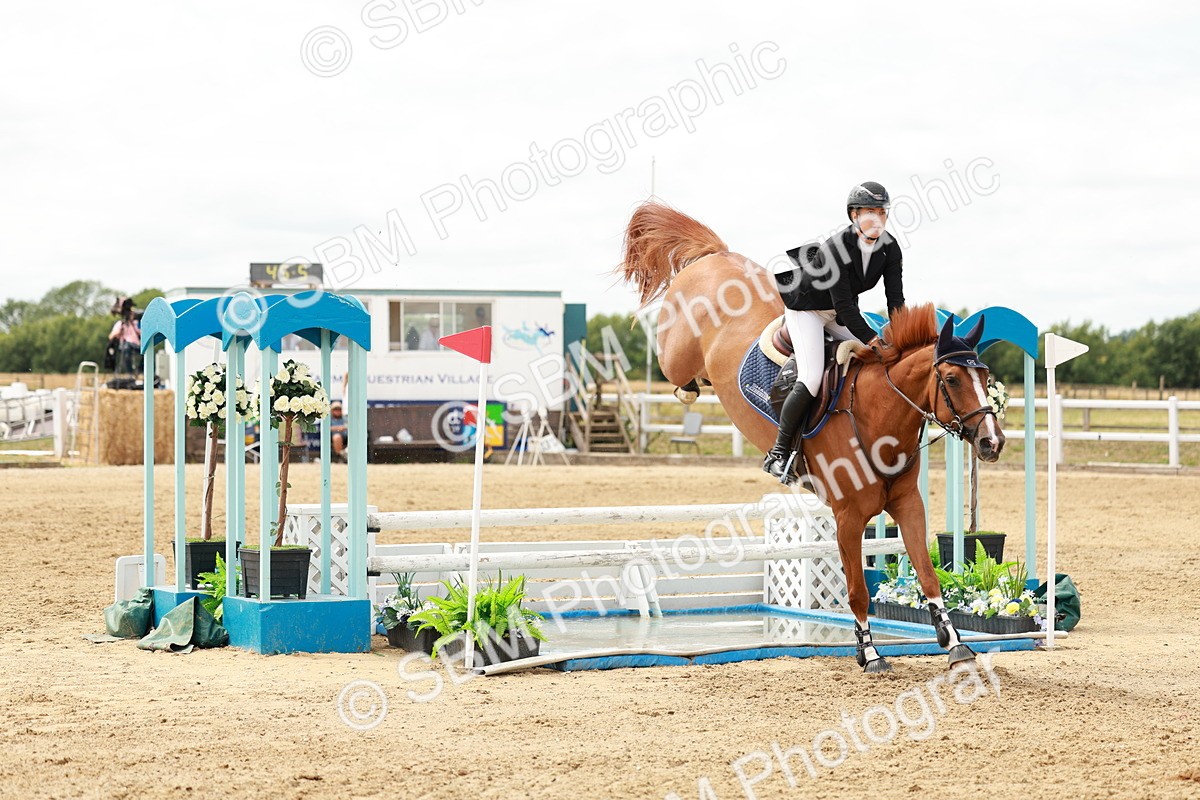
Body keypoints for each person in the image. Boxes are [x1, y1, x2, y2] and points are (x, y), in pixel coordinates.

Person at [763, 181, 905, 482]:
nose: (878, 219)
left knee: (874, 363)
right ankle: (778, 452)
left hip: (839, 313)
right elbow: (846, 306)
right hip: (809, 311)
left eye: (883, 212)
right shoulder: (838, 248)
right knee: (812, 377)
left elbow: (896, 301)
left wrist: (902, 336)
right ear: (854, 215)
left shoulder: (890, 248)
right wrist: (874, 340)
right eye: (870, 212)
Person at [108, 297, 142, 377]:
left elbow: (141, 333)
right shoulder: (120, 324)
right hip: (125, 346)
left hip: (136, 345)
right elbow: (111, 336)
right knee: (126, 347)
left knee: (147, 351)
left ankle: (139, 371)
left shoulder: (135, 323)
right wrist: (119, 332)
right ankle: (130, 374)